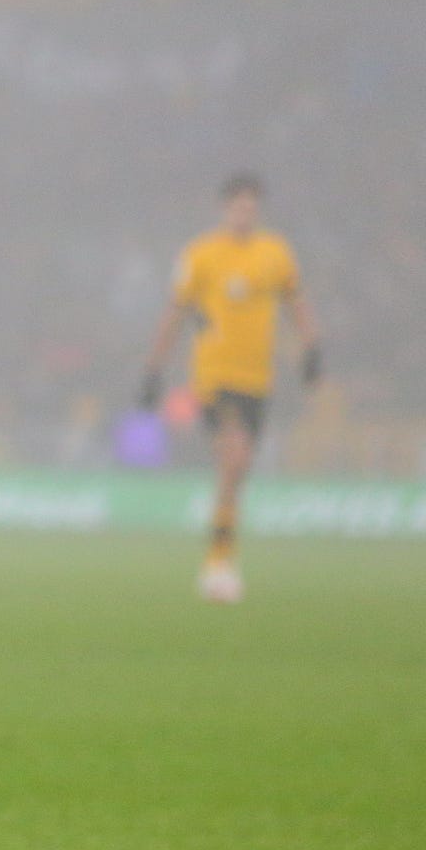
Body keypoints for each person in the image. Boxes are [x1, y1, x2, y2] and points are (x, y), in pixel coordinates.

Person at [141, 172, 319, 603]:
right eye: (238, 206)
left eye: (251, 207)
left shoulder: (275, 253)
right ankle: (219, 563)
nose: (245, 213)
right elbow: (175, 312)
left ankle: (220, 551)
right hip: (215, 375)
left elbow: (296, 301)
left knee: (236, 471)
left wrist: (311, 346)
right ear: (225, 209)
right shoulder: (201, 255)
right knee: (234, 455)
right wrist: (154, 368)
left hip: (258, 377)